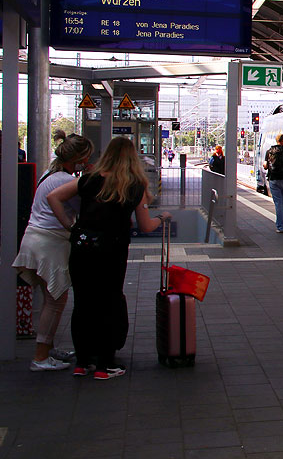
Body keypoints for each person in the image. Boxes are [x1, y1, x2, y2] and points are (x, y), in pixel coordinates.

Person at [48, 136, 171, 380]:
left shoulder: (88, 180)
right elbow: (146, 226)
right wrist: (163, 218)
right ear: (131, 157)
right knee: (109, 302)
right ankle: (105, 366)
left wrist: (71, 226)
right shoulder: (135, 186)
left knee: (82, 303)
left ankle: (82, 363)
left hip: (82, 248)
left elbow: (53, 197)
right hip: (112, 251)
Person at [12, 131, 94, 371]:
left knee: (51, 300)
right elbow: (83, 207)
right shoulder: (64, 181)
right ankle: (40, 357)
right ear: (78, 158)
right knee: (55, 301)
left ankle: (46, 349)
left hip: (35, 241)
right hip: (50, 244)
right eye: (86, 157)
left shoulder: (51, 174)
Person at [263, 134, 283, 233]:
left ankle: (280, 226)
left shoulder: (269, 151)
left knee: (278, 203)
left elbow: (265, 165)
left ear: (276, 140)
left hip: (273, 179)